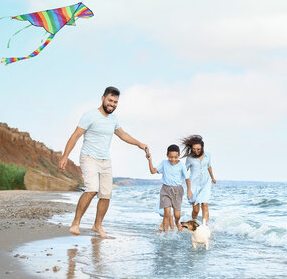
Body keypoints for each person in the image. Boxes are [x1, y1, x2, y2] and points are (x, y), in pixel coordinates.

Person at [59, 86, 148, 238]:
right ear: (103, 98)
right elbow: (75, 136)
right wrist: (65, 156)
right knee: (92, 189)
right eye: (110, 100)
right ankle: (76, 223)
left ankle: (97, 225)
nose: (112, 104)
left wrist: (139, 143)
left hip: (105, 160)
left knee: (106, 195)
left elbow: (122, 134)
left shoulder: (113, 119)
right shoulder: (90, 115)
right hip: (89, 157)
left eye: (115, 102)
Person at [146, 144, 192, 232]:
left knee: (177, 215)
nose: (173, 159)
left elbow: (187, 179)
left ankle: (177, 222)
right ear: (167, 155)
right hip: (165, 190)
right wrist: (149, 160)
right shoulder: (164, 163)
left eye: (175, 157)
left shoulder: (181, 165)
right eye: (171, 157)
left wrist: (189, 191)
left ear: (178, 156)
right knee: (167, 212)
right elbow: (153, 171)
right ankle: (166, 233)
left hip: (178, 191)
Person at [181, 135, 216, 224]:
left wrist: (213, 177)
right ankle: (193, 223)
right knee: (196, 209)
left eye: (198, 149)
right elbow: (185, 172)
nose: (196, 151)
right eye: (194, 149)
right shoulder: (189, 158)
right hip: (194, 184)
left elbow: (209, 166)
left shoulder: (208, 155)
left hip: (206, 183)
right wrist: (188, 189)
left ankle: (205, 226)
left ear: (202, 147)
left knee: (205, 204)